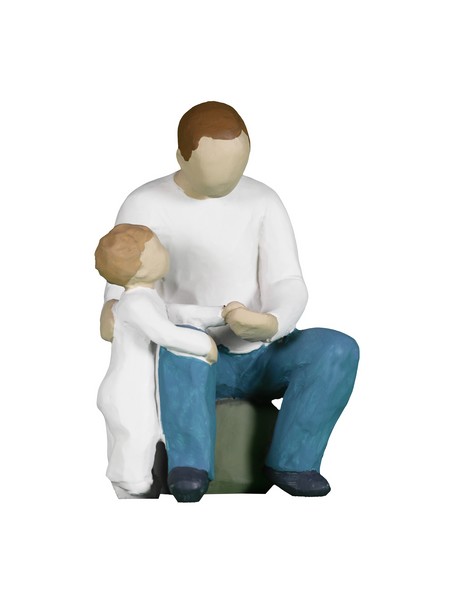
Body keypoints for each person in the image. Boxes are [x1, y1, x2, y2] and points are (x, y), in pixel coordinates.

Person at [101, 101, 360, 502]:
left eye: (236, 165)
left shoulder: (263, 201)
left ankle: (294, 460)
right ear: (182, 157)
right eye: (213, 166)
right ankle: (190, 465)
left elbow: (287, 280)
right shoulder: (145, 203)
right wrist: (116, 313)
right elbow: (121, 285)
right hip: (190, 359)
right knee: (183, 344)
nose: (227, 177)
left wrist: (272, 322)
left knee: (336, 349)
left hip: (261, 351)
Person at [95, 223, 217, 499]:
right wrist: (204, 345)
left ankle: (137, 485)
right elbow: (166, 333)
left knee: (141, 436)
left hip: (137, 387)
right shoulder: (136, 304)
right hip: (127, 390)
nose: (165, 251)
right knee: (135, 437)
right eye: (158, 248)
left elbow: (178, 313)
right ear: (140, 266)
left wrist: (220, 313)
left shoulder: (145, 298)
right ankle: (132, 487)